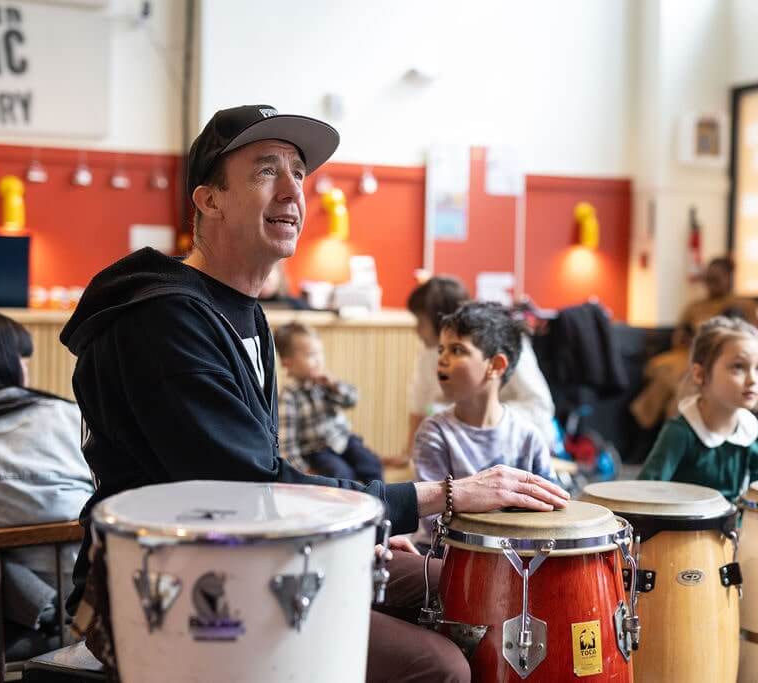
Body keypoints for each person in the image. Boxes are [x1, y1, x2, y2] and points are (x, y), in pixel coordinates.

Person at [59, 104, 567, 683]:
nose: (292, 191)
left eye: (298, 173)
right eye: (265, 170)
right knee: (439, 665)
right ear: (209, 200)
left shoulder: (242, 313)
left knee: (461, 584)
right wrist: (443, 495)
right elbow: (247, 489)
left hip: (246, 556)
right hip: (164, 590)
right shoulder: (163, 320)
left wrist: (348, 532)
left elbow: (259, 475)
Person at [0, 309, 94, 591]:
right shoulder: (62, 416)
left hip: (11, 593)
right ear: (3, 363)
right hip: (88, 579)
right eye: (23, 360)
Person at [412, 302, 552, 544]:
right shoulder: (434, 433)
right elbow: (432, 517)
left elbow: (550, 510)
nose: (442, 359)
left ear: (495, 366)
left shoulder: (528, 436)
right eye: (441, 349)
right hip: (444, 552)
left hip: (515, 552)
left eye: (457, 350)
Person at [400, 276, 557, 461]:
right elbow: (419, 403)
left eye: (421, 322)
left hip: (515, 447)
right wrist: (409, 455)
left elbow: (539, 405)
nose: (417, 330)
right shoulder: (429, 350)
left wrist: (482, 417)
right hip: (466, 444)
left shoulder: (501, 341)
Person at [638, 316, 758, 500]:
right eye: (738, 367)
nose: (753, 380)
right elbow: (644, 493)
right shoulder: (680, 433)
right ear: (700, 374)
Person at [274, 322, 383, 483]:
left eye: (320, 353)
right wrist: (302, 471)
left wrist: (334, 386)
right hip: (317, 451)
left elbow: (351, 400)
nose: (319, 360)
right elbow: (287, 444)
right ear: (287, 363)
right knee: (341, 473)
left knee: (371, 463)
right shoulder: (289, 396)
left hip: (344, 440)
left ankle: (379, 496)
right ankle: (349, 498)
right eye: (311, 355)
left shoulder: (325, 384)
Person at [678, 256, 758, 331]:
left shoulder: (744, 305)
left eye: (716, 279)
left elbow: (755, 334)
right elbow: (678, 336)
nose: (711, 285)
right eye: (708, 279)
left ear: (729, 278)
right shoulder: (694, 307)